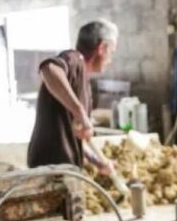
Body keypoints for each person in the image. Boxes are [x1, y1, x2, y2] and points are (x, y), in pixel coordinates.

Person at [27, 19, 118, 175]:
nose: (111, 59)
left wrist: (98, 162)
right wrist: (80, 112)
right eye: (112, 52)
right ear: (102, 47)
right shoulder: (75, 59)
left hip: (65, 168)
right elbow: (49, 69)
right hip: (50, 168)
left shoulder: (83, 82)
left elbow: (74, 137)